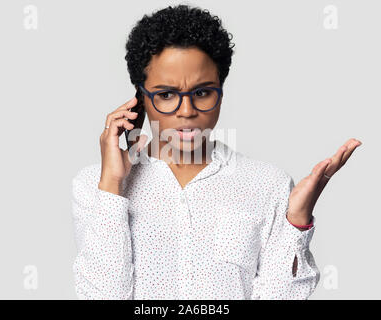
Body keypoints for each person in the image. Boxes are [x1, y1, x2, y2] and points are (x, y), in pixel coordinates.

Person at [71, 4, 362, 300]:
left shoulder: (268, 184)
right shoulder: (93, 185)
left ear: (220, 91)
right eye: (166, 95)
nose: (187, 111)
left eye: (202, 92)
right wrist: (111, 188)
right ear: (140, 99)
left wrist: (297, 221)